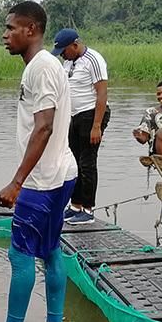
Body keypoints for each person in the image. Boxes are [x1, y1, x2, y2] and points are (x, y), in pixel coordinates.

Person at [0, 1, 77, 322]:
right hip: (62, 174)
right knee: (50, 250)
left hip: (42, 181)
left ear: (31, 30)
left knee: (21, 253)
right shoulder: (47, 66)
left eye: (11, 27)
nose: (5, 34)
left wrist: (17, 182)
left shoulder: (41, 68)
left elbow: (43, 126)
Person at [51, 28, 110, 225]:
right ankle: (75, 205)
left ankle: (88, 209)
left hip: (91, 115)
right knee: (72, 163)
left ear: (75, 45)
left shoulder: (94, 59)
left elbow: (102, 94)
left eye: (64, 51)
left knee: (87, 162)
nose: (62, 55)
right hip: (74, 116)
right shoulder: (68, 62)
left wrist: (96, 126)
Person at [133, 80, 162, 159]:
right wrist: (140, 136)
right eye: (158, 94)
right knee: (161, 132)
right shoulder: (151, 112)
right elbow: (143, 138)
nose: (161, 96)